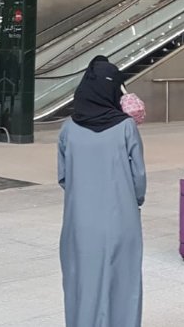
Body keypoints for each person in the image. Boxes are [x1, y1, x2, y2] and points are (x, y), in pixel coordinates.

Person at [58, 55, 146, 327]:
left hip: (80, 220)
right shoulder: (126, 127)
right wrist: (134, 200)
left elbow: (63, 177)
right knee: (123, 280)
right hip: (122, 217)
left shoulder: (68, 129)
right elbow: (139, 177)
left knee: (81, 279)